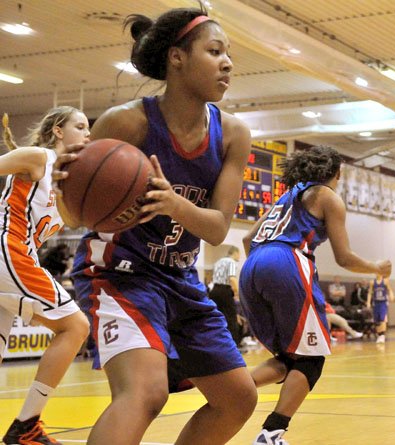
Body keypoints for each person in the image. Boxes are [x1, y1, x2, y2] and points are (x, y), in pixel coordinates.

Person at [54, 7, 257, 445]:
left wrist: (171, 202)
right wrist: (64, 185)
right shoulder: (128, 121)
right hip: (120, 274)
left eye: (229, 55)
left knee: (238, 398)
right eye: (215, 51)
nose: (228, 63)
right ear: (176, 58)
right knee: (146, 392)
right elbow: (76, 216)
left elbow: (219, 228)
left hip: (181, 279)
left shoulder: (234, 134)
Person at [239, 145, 392, 445]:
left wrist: (263, 270)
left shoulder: (287, 197)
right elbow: (344, 257)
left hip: (252, 264)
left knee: (289, 359)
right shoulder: (327, 196)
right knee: (311, 360)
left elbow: (247, 238)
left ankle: (230, 387)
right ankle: (271, 433)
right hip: (288, 261)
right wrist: (376, 266)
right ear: (337, 174)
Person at [0, 108, 91, 445]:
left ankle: (25, 427)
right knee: (75, 326)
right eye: (80, 127)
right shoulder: (40, 157)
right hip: (8, 250)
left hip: (13, 258)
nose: (87, 134)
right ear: (58, 131)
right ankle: (26, 426)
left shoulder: (67, 180)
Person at [209, 246, 243, 346]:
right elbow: (232, 279)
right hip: (225, 291)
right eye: (239, 254)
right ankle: (233, 345)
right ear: (235, 253)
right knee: (231, 318)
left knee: (216, 317)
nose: (239, 257)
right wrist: (237, 293)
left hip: (214, 290)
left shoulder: (219, 261)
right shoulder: (231, 262)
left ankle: (215, 342)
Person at [366, 273, 395, 344]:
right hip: (376, 303)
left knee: (383, 319)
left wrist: (392, 295)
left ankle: (382, 335)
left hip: (383, 303)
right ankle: (379, 335)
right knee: (377, 320)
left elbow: (390, 289)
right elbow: (370, 293)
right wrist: (368, 302)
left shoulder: (385, 281)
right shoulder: (372, 282)